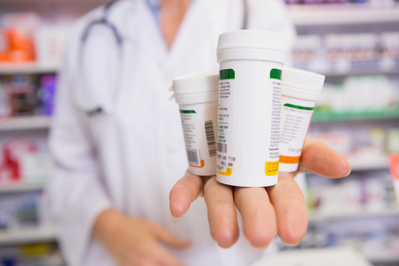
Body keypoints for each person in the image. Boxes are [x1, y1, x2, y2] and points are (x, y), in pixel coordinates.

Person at [47, 0, 351, 265]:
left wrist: (283, 155)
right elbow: (68, 166)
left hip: (228, 256)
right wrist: (108, 227)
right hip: (122, 255)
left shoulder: (259, 12)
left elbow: (278, 115)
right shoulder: (90, 36)